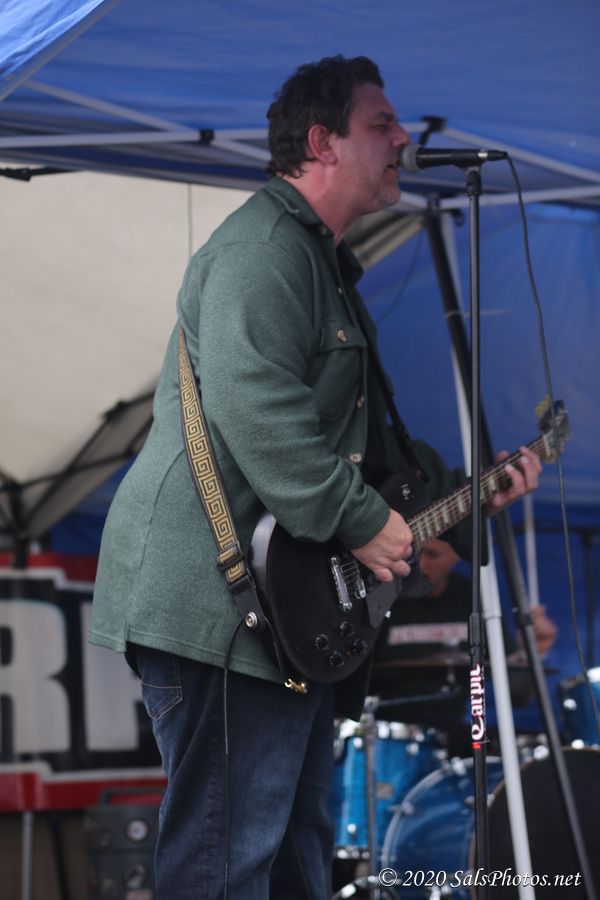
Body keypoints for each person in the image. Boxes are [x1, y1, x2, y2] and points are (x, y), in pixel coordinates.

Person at [89, 56, 541, 899]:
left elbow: (370, 451)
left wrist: (470, 493)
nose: (403, 138)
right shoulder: (262, 252)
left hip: (275, 607)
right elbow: (261, 414)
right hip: (219, 606)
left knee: (296, 858)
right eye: (381, 124)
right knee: (226, 862)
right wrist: (361, 521)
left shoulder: (322, 261)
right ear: (321, 142)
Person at [371, 537, 558, 747]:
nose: (420, 564)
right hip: (383, 730)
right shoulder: (381, 594)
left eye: (433, 554)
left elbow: (517, 694)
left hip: (453, 732)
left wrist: (535, 650)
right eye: (413, 554)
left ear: (456, 555)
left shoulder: (472, 597)